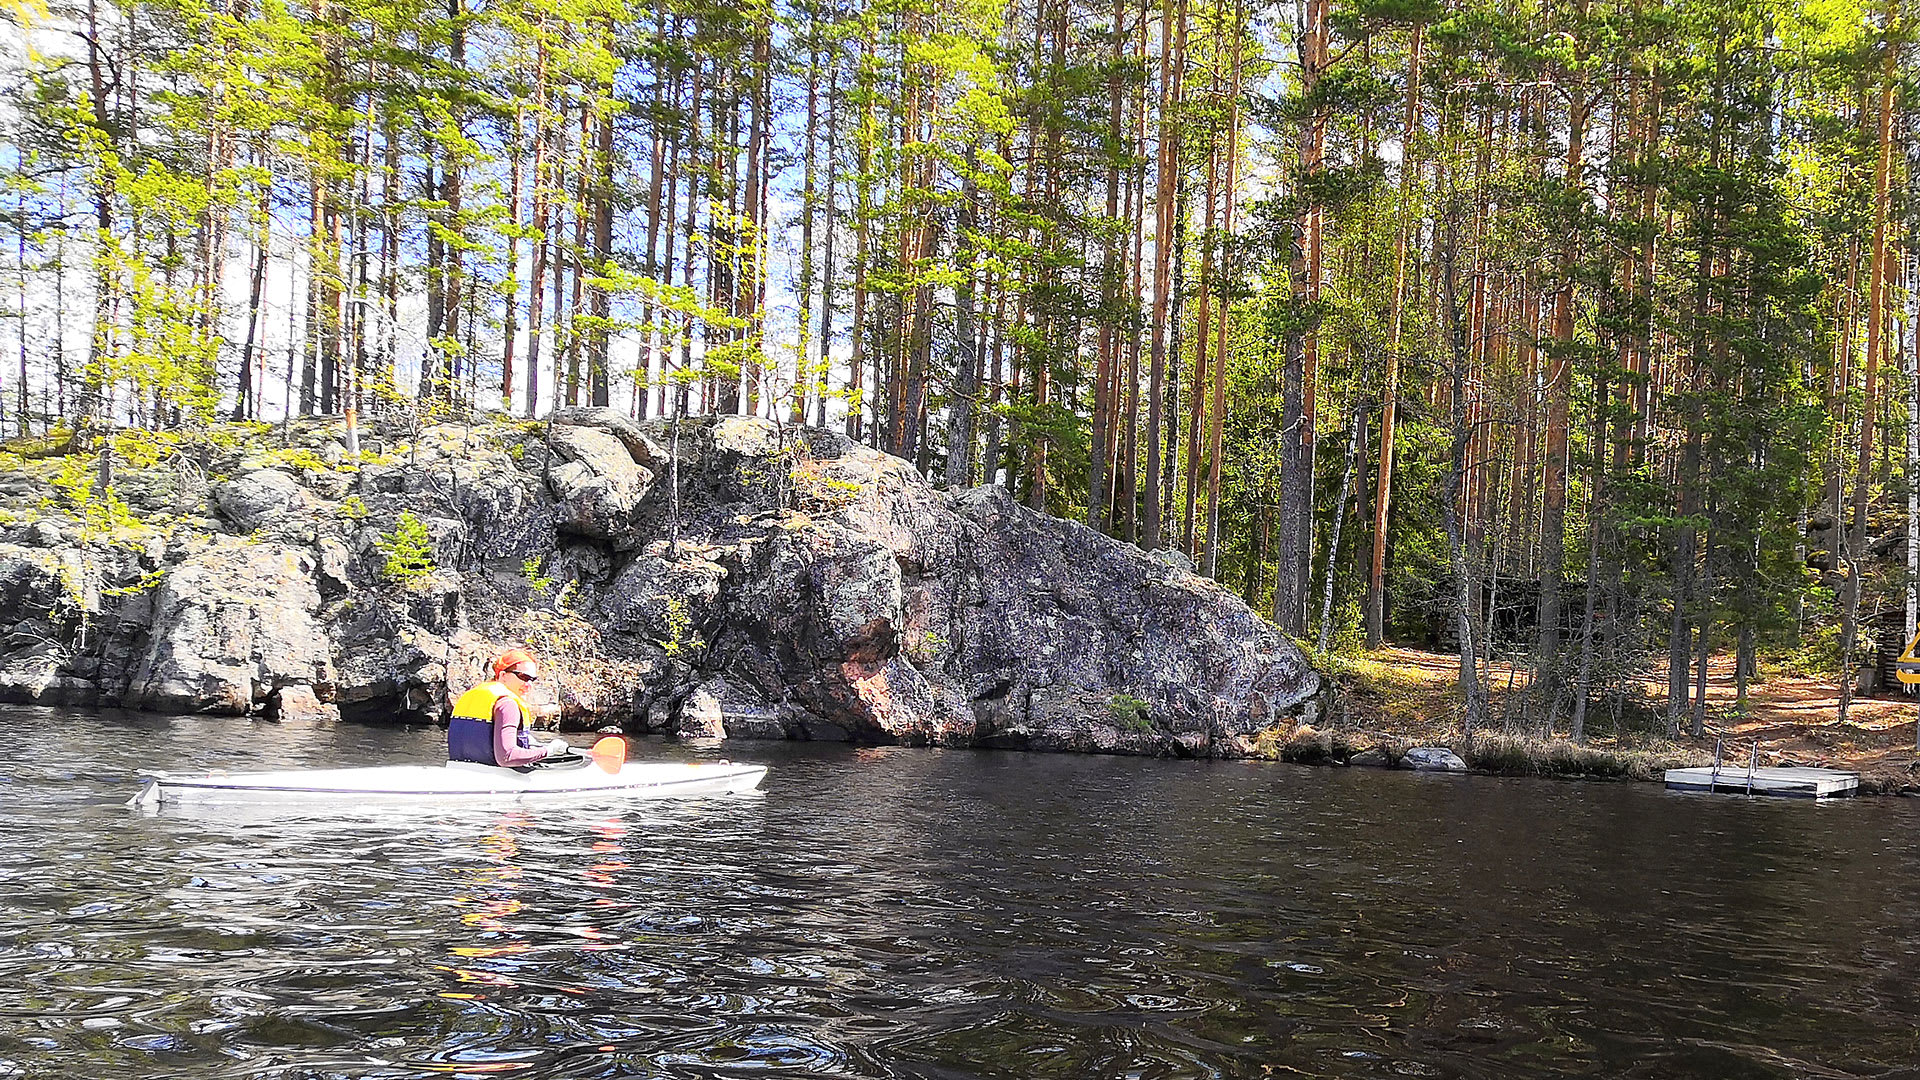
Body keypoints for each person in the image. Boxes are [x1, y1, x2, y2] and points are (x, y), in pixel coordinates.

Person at [449, 649, 571, 767]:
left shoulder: (472, 695)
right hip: (498, 777)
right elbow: (507, 757)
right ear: (503, 675)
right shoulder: (507, 704)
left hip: (459, 768)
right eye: (523, 677)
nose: (529, 685)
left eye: (532, 680)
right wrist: (549, 750)